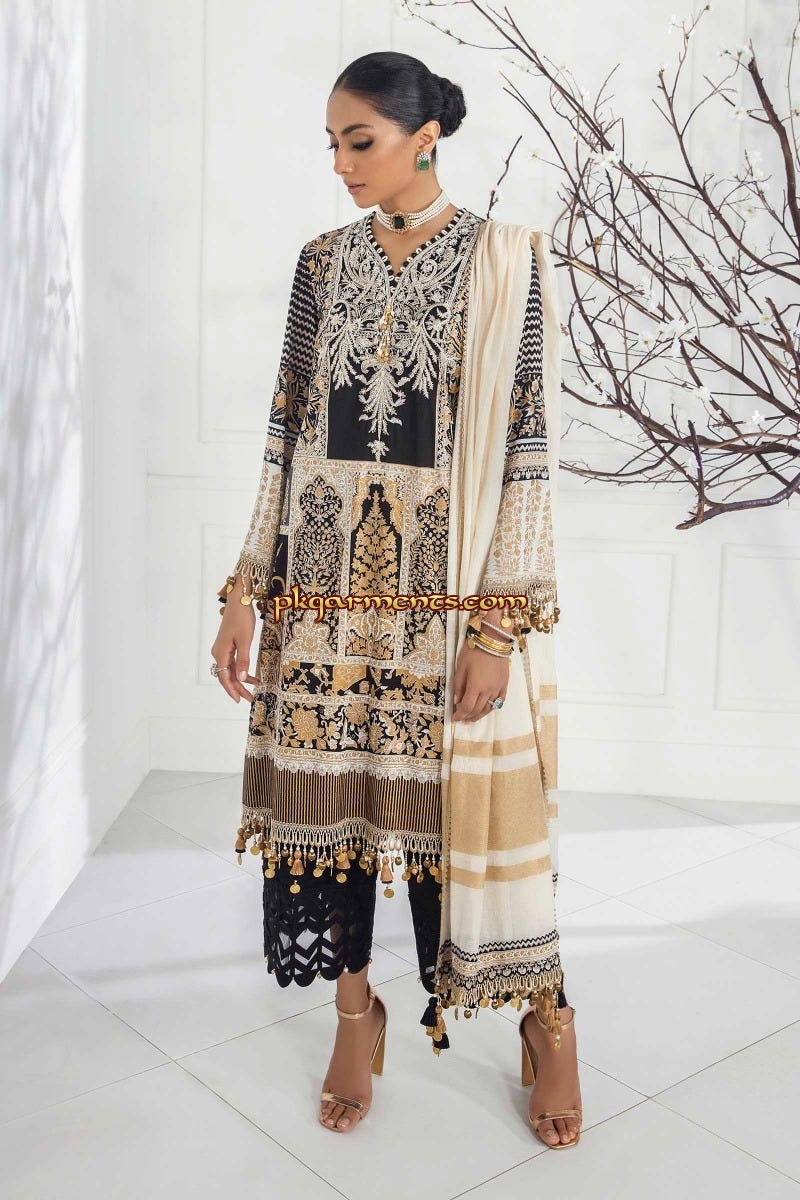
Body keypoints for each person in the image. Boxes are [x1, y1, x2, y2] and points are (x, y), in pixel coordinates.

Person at [210, 50, 582, 1149]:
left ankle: (546, 1020)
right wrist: (245, 590)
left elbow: (527, 449)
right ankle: (353, 1015)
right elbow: (283, 436)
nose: (340, 164)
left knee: (469, 829)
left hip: (450, 607)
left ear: (426, 137)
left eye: (359, 141)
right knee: (338, 828)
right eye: (331, 144)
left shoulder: (507, 260)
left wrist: (497, 629)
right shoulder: (320, 264)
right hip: (325, 600)